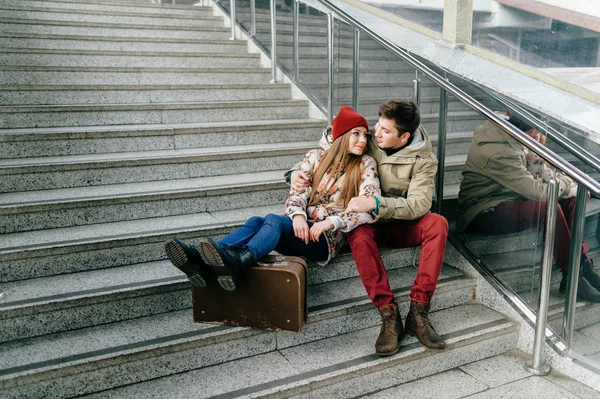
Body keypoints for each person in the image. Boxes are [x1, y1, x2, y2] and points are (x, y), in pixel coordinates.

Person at [290, 99, 449, 356]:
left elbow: (419, 204)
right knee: (358, 230)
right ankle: (388, 314)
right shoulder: (371, 137)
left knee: (438, 223)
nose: (376, 133)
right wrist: (294, 172)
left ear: (404, 136)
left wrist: (375, 203)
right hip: (366, 224)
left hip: (398, 224)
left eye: (385, 131)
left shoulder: (424, 160)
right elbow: (333, 145)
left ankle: (418, 312)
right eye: (378, 126)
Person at [165, 106, 380, 292]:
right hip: (303, 228)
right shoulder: (315, 157)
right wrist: (297, 215)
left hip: (326, 238)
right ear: (341, 135)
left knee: (273, 220)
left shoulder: (365, 164)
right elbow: (298, 191)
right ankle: (204, 262)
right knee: (256, 222)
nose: (362, 140)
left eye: (365, 135)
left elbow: (369, 207)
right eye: (356, 134)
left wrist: (331, 222)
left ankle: (239, 263)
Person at [456, 114, 600, 301]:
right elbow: (540, 193)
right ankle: (571, 275)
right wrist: (567, 182)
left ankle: (583, 266)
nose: (540, 136)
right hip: (482, 210)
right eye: (538, 132)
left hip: (511, 198)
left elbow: (540, 176)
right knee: (549, 207)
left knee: (571, 200)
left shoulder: (512, 135)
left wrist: (541, 160)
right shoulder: (499, 152)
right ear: (531, 131)